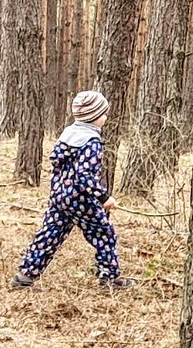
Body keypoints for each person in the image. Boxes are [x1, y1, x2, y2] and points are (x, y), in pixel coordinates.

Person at [12, 88, 123, 290]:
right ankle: (110, 278)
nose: (106, 117)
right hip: (81, 200)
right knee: (104, 234)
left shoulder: (68, 135)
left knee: (50, 233)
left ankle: (25, 276)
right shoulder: (91, 142)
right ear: (94, 117)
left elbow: (58, 164)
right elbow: (85, 176)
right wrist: (104, 197)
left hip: (59, 197)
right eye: (103, 113)